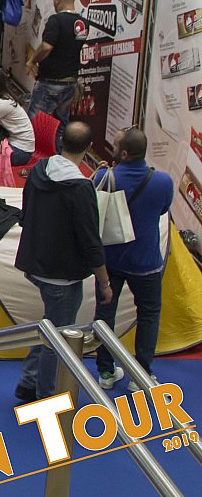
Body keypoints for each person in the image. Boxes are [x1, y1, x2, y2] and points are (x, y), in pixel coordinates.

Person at [15, 121, 112, 402]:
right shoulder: (81, 188)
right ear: (89, 148)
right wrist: (104, 282)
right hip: (62, 275)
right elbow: (90, 239)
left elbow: (25, 213)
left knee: (50, 325)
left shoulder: (39, 171)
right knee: (56, 339)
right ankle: (46, 396)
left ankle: (29, 381)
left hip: (35, 263)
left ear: (61, 141)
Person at [92, 128, 175, 389]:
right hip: (146, 262)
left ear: (124, 153)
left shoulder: (104, 176)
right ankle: (141, 376)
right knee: (149, 315)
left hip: (110, 261)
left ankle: (105, 373)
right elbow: (162, 210)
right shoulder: (163, 182)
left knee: (104, 314)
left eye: (116, 145)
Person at [27, 0, 84, 124]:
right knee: (61, 123)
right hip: (70, 82)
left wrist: (32, 60)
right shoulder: (82, 23)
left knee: (36, 122)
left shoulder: (56, 20)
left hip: (50, 81)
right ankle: (57, 141)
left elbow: (46, 47)